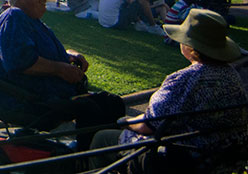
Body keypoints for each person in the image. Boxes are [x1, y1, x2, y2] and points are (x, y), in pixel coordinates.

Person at [90, 9, 248, 172]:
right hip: (226, 157)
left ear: (190, 46)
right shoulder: (232, 75)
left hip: (184, 160)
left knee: (102, 138)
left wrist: (125, 121)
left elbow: (149, 126)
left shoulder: (185, 79)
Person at [0, 0, 124, 150]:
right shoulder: (13, 18)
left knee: (112, 103)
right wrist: (61, 69)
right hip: (28, 99)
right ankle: (86, 160)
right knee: (90, 108)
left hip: (48, 93)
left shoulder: (31, 20)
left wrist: (69, 56)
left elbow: (41, 51)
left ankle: (109, 153)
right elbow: (20, 61)